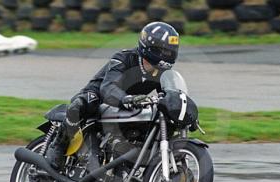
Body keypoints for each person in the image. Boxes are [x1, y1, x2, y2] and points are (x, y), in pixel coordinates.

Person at [46, 21, 180, 173]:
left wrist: (181, 110)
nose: (169, 54)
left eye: (171, 50)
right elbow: (108, 87)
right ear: (151, 48)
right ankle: (57, 146)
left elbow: (169, 93)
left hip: (127, 106)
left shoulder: (161, 73)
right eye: (165, 50)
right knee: (81, 104)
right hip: (98, 95)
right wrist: (126, 99)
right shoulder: (124, 58)